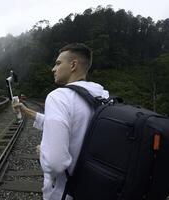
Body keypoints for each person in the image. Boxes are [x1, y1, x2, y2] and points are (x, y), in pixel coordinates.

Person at [13, 43, 109, 200]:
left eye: (58, 63)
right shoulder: (101, 95)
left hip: (66, 192)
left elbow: (55, 164)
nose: (53, 69)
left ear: (73, 65)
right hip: (94, 186)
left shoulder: (59, 97)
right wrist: (27, 111)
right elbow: (71, 126)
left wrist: (43, 153)